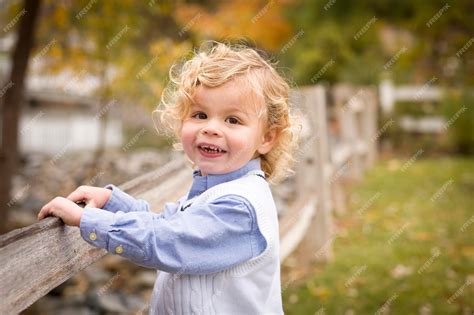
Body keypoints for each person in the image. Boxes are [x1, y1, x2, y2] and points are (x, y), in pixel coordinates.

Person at [38, 41, 299, 314]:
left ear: (267, 137)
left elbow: (167, 241)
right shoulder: (216, 189)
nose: (211, 128)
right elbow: (169, 224)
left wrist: (87, 220)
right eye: (200, 115)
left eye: (233, 120)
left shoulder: (239, 207)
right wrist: (113, 203)